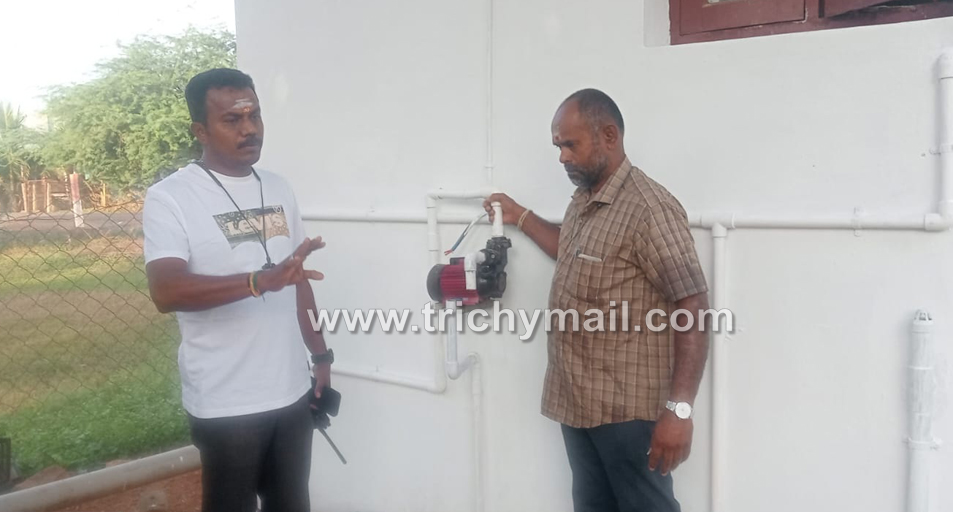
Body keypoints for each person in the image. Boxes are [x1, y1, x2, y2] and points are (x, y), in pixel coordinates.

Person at [485, 89, 710, 512]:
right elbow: (571, 250)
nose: (562, 157)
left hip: (626, 413)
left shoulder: (649, 209)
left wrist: (679, 410)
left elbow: (693, 306)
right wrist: (520, 216)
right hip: (578, 401)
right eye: (558, 146)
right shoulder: (584, 198)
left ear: (609, 135)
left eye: (570, 145)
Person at [143, 68, 331, 512]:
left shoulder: (278, 187)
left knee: (292, 503)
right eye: (232, 120)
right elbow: (166, 291)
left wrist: (321, 356)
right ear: (200, 131)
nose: (249, 129)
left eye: (255, 116)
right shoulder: (171, 197)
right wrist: (256, 282)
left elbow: (297, 280)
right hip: (226, 401)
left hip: (290, 389)